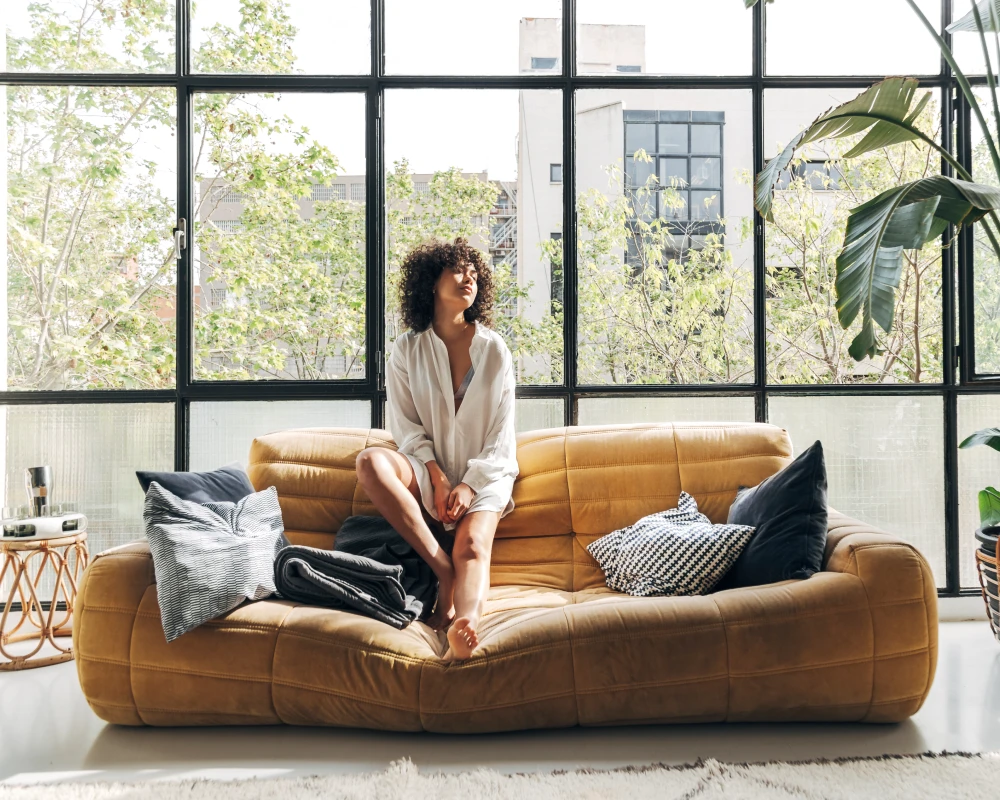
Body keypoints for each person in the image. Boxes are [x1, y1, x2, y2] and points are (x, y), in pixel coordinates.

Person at [355, 236, 519, 663]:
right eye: (459, 269)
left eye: (475, 272)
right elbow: (405, 426)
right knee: (370, 461)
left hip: (486, 472)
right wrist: (435, 474)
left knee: (471, 547)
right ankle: (440, 569)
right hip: (425, 466)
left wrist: (468, 484)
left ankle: (465, 625)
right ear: (431, 280)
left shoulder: (495, 350)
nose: (470, 278)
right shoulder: (407, 349)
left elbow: (503, 434)